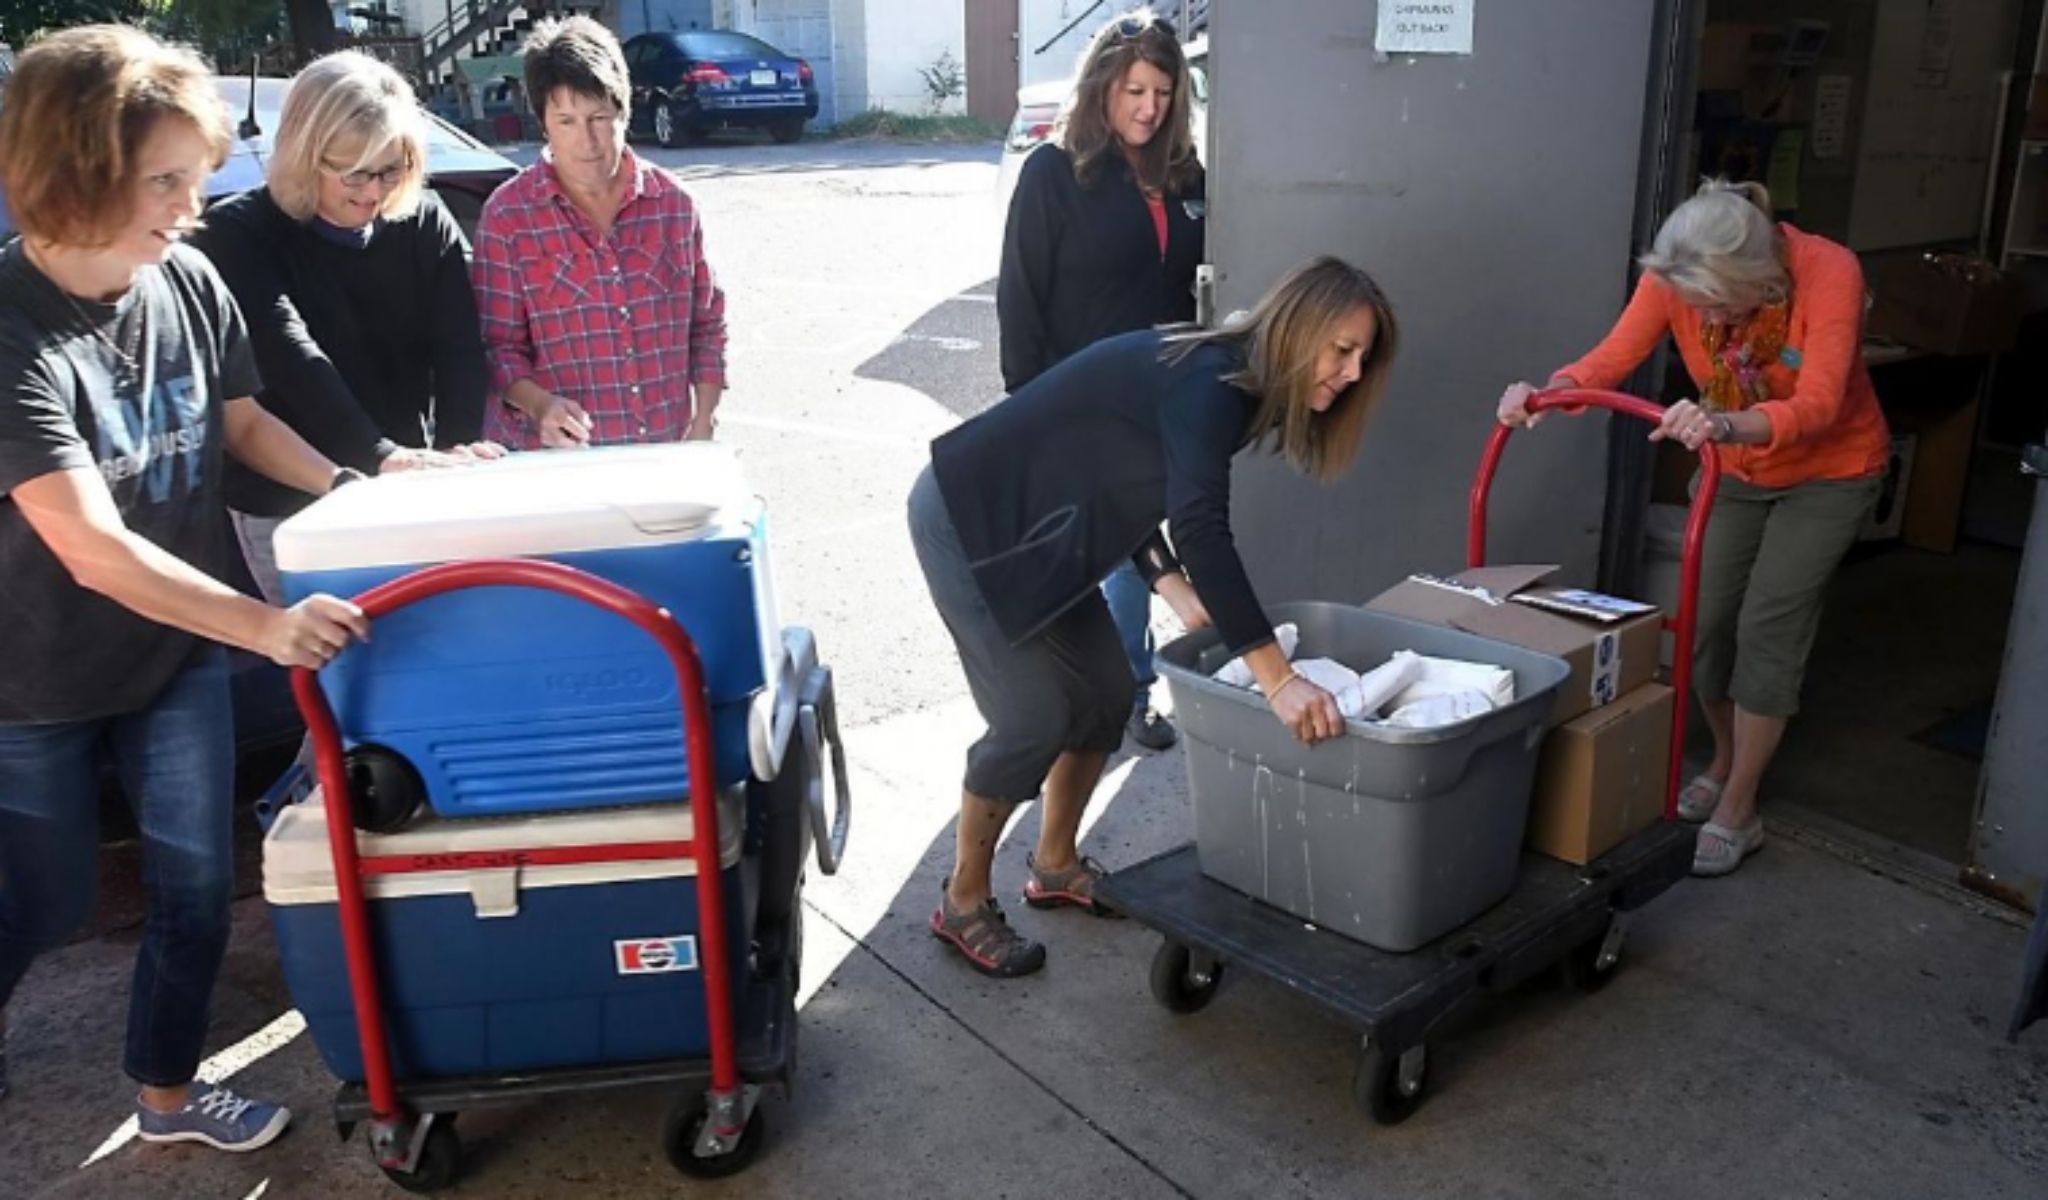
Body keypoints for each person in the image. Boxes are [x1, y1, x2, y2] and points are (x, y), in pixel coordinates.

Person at [0, 26, 372, 1144]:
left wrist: (354, 491)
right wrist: (267, 626)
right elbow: (93, 547)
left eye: (195, 178)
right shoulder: (11, 330)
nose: (188, 206)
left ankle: (168, 1096)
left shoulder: (188, 279)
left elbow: (243, 423)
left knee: (201, 887)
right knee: (45, 899)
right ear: (76, 168)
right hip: (32, 680)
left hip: (169, 661)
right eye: (163, 180)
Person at [912, 256, 1399, 977]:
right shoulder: (1211, 385)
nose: (1354, 373)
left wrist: (1163, 577)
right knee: (1034, 716)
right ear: (1299, 329)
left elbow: (1115, 467)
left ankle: (1053, 864)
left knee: (1108, 697)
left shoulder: (1228, 379)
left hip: (1052, 528)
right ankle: (962, 899)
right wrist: (1277, 679)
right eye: (1343, 350)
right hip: (970, 518)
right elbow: (1202, 525)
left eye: (1364, 358)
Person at [1497, 178, 1890, 878]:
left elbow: (1822, 404)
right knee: (1704, 622)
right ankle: (1728, 756)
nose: (1700, 316)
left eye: (1714, 305)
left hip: (1830, 471)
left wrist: (1723, 422)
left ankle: (1741, 804)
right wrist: (1548, 394)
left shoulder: (1828, 270)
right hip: (1736, 467)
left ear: (1758, 279)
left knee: (1770, 622)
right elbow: (1614, 354)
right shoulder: (1681, 273)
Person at [192, 50, 499, 603]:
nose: (372, 191)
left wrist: (457, 452)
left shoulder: (425, 223)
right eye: (352, 171)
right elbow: (291, 355)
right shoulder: (238, 234)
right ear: (305, 155)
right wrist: (376, 454)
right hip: (287, 503)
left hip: (406, 483)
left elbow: (459, 349)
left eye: (390, 169)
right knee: (330, 673)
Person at [997, 7, 1205, 753]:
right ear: (1101, 91)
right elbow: (1019, 296)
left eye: (1162, 92)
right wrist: (1030, 405)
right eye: (1133, 92)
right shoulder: (1055, 172)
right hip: (1072, 401)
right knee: (1106, 554)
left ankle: (1127, 696)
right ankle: (1082, 705)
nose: (1148, 108)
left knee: (1129, 552)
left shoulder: (1186, 177)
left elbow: (1193, 290)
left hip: (1158, 400)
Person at [470, 15, 728, 450]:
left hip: (663, 454)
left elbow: (706, 324)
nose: (586, 141)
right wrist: (540, 405)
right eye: (566, 121)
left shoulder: (673, 206)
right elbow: (497, 347)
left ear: (623, 112)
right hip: (557, 466)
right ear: (543, 122)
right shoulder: (508, 216)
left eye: (599, 117)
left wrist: (704, 421)